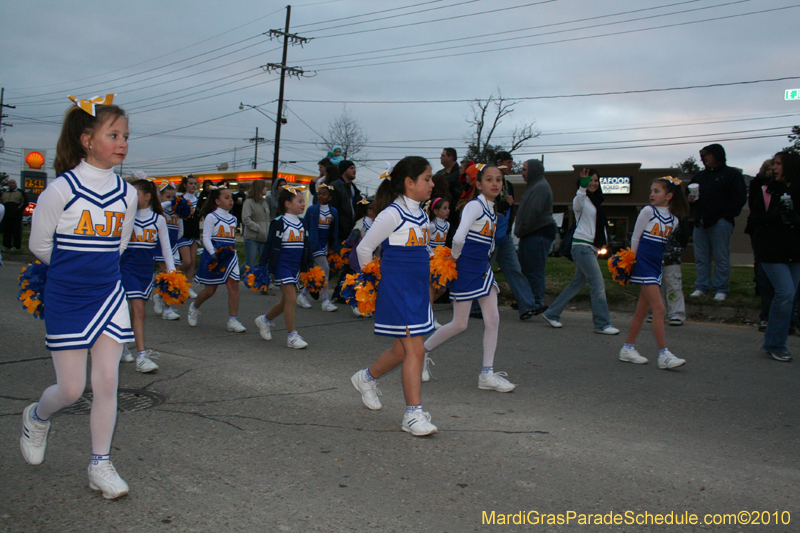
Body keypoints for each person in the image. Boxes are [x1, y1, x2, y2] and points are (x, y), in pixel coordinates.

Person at [23, 95, 137, 499]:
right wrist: (74, 273)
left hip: (109, 295)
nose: (122, 143)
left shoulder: (127, 194)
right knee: (70, 390)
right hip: (67, 297)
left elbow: (119, 246)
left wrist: (97, 273)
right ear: (88, 140)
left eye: (126, 136)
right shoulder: (60, 190)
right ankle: (38, 417)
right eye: (113, 135)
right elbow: (39, 245)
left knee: (106, 381)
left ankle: (99, 465)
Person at [350, 156, 438, 436]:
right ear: (409, 183)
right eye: (427, 179)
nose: (432, 184)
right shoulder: (392, 213)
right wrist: (372, 283)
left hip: (416, 289)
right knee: (416, 350)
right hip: (398, 289)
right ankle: (412, 415)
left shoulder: (422, 214)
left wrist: (436, 261)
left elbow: (422, 248)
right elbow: (364, 249)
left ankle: (366, 378)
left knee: (402, 351)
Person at [423, 165, 517, 392]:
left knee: (492, 319)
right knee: (460, 324)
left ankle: (487, 374)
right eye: (489, 179)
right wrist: (454, 258)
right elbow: (458, 238)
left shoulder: (491, 208)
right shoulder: (475, 206)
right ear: (479, 184)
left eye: (498, 180)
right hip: (466, 270)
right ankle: (421, 353)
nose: (495, 183)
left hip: (482, 269)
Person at [618, 177, 689, 370]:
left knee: (642, 310)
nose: (652, 194)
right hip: (643, 264)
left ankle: (627, 348)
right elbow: (636, 237)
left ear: (669, 196)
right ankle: (664, 354)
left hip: (656, 266)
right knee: (659, 309)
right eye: (651, 190)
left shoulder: (674, 220)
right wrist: (630, 260)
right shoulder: (648, 211)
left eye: (657, 191)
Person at [541, 169, 619, 334]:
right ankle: (602, 324)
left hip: (591, 248)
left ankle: (551, 313)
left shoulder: (595, 202)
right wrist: (583, 186)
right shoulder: (581, 199)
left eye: (596, 180)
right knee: (598, 284)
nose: (593, 183)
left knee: (577, 284)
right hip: (582, 247)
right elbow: (577, 203)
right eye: (590, 180)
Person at [119, 177, 177, 373]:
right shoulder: (124, 216)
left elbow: (166, 248)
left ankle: (124, 345)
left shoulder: (158, 220)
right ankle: (141, 356)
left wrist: (172, 274)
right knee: (137, 310)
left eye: (135, 193)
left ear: (147, 196)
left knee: (137, 311)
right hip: (125, 268)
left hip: (145, 271)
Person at [748, 151, 800, 362]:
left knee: (790, 297)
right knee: (785, 293)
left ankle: (771, 343)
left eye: (779, 164)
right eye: (774, 164)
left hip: (795, 252)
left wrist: (795, 218)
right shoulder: (766, 190)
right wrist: (774, 214)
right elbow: (754, 220)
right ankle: (777, 344)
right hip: (771, 252)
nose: (774, 167)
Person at [255, 185, 313, 349]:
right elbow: (269, 244)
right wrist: (262, 265)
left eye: (303, 201)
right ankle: (292, 336)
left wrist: (309, 265)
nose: (303, 204)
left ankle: (264, 320)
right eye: (299, 201)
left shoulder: (302, 223)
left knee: (285, 302)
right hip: (282, 265)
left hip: (296, 267)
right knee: (292, 299)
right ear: (287, 204)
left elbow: (306, 245)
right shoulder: (279, 222)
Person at [688, 144, 747, 301]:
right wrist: (691, 200)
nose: (705, 158)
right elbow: (689, 197)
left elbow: (739, 198)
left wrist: (726, 216)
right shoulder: (699, 177)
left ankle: (721, 288)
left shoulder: (732, 175)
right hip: (701, 221)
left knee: (721, 257)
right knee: (701, 257)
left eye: (708, 154)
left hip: (720, 222)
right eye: (703, 155)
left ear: (717, 155)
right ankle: (702, 286)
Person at [187, 188, 246, 333]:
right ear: (217, 201)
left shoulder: (233, 219)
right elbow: (206, 237)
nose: (230, 200)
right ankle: (194, 307)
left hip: (230, 255)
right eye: (226, 197)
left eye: (231, 197)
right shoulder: (211, 217)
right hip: (214, 256)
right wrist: (214, 253)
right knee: (210, 290)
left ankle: (232, 320)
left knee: (234, 286)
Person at [515, 158, 557, 315]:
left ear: (533, 171)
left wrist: (521, 229)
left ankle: (537, 302)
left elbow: (532, 212)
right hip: (530, 234)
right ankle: (527, 301)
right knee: (526, 269)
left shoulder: (540, 188)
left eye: (525, 169)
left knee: (534, 269)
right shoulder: (534, 186)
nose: (522, 173)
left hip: (538, 233)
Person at [298, 183, 339, 312]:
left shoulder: (333, 211)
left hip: (325, 244)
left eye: (324, 194)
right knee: (325, 268)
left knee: (316, 272)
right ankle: (325, 301)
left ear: (330, 197)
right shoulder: (312, 210)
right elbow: (305, 226)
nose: (320, 196)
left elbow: (335, 230)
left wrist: (333, 246)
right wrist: (306, 242)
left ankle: (302, 296)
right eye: (319, 194)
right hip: (314, 244)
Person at [745, 158, 776, 332]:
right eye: (771, 167)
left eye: (777, 166)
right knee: (764, 275)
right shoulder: (761, 187)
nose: (773, 170)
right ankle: (766, 317)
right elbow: (755, 212)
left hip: (787, 241)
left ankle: (789, 320)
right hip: (763, 236)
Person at [330, 160, 363, 301]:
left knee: (349, 265)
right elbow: (333, 211)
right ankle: (312, 286)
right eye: (351, 168)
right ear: (344, 170)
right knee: (335, 264)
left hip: (351, 232)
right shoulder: (335, 187)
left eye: (355, 168)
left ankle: (339, 294)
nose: (354, 170)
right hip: (339, 232)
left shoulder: (353, 188)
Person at [152, 180, 183, 321]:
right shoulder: (159, 211)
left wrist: (176, 242)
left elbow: (180, 229)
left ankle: (159, 296)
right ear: (160, 197)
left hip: (174, 246)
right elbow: (158, 207)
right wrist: (169, 202)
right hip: (161, 247)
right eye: (168, 197)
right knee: (168, 277)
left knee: (174, 276)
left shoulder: (177, 211)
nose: (171, 200)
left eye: (173, 197)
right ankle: (168, 309)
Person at [176, 175, 201, 299]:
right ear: (185, 185)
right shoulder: (179, 199)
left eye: (195, 183)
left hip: (195, 233)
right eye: (190, 183)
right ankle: (173, 277)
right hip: (183, 233)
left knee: (192, 262)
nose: (193, 185)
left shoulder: (199, 201)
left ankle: (188, 287)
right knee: (187, 261)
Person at [427, 196, 450, 326]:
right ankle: (429, 318)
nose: (448, 211)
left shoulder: (447, 225)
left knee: (442, 289)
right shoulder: (431, 225)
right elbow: (424, 242)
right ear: (435, 211)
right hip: (431, 260)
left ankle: (423, 308)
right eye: (444, 208)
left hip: (442, 261)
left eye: (448, 208)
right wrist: (431, 254)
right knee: (431, 288)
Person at [241, 179, 269, 269]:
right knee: (249, 263)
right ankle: (237, 275)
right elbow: (246, 219)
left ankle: (259, 277)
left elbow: (267, 220)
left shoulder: (265, 204)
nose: (266, 188)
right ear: (259, 188)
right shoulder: (248, 202)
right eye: (264, 187)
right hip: (252, 238)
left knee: (263, 263)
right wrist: (258, 228)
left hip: (264, 238)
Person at [2, 178, 29, 250]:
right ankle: (7, 246)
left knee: (16, 232)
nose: (11, 184)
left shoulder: (20, 192)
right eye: (10, 183)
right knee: (6, 232)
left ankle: (16, 247)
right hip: (6, 216)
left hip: (16, 216)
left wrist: (18, 210)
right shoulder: (4, 193)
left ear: (16, 184)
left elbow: (25, 202)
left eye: (13, 183)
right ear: (8, 184)